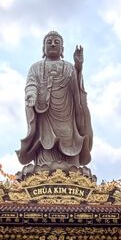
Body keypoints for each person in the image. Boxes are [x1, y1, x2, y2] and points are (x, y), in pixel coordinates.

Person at [16, 31, 93, 170]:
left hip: (67, 118)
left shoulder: (69, 67)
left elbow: (77, 90)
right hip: (44, 114)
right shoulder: (36, 67)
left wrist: (78, 68)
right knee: (45, 146)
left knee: (70, 151)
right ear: (43, 49)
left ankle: (72, 173)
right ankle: (44, 172)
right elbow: (31, 84)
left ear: (62, 50)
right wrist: (31, 95)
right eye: (49, 42)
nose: (52, 44)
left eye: (56, 42)